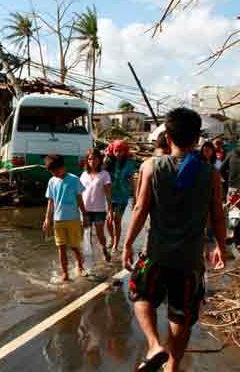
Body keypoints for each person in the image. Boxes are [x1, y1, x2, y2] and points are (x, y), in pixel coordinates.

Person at [122, 108, 226, 372]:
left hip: (156, 252)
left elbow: (140, 209)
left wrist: (126, 244)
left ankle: (154, 344)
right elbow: (217, 215)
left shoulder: (151, 166)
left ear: (167, 137)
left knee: (141, 294)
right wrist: (220, 248)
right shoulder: (210, 174)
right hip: (189, 260)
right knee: (182, 314)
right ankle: (173, 365)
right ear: (196, 139)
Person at [43, 154, 88, 282]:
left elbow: (80, 199)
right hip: (58, 220)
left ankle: (80, 265)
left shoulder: (74, 180)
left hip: (73, 219)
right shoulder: (52, 181)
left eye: (56, 170)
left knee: (74, 246)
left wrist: (85, 215)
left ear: (63, 167)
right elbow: (51, 202)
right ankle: (65, 273)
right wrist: (47, 219)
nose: (55, 174)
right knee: (61, 247)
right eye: (52, 172)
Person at [80, 149, 112, 262]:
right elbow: (79, 193)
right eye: (89, 159)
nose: (92, 161)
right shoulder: (84, 174)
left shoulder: (105, 175)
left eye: (94, 158)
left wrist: (109, 211)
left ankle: (104, 249)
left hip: (99, 210)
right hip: (85, 210)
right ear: (87, 160)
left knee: (100, 235)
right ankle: (88, 259)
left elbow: (108, 194)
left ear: (99, 160)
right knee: (86, 236)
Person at [105, 140, 136, 252]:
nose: (118, 153)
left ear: (125, 151)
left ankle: (115, 245)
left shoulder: (129, 163)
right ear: (112, 151)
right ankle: (112, 238)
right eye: (116, 151)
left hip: (123, 195)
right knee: (108, 220)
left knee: (117, 220)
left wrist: (135, 197)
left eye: (121, 151)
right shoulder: (108, 161)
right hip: (110, 195)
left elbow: (132, 180)